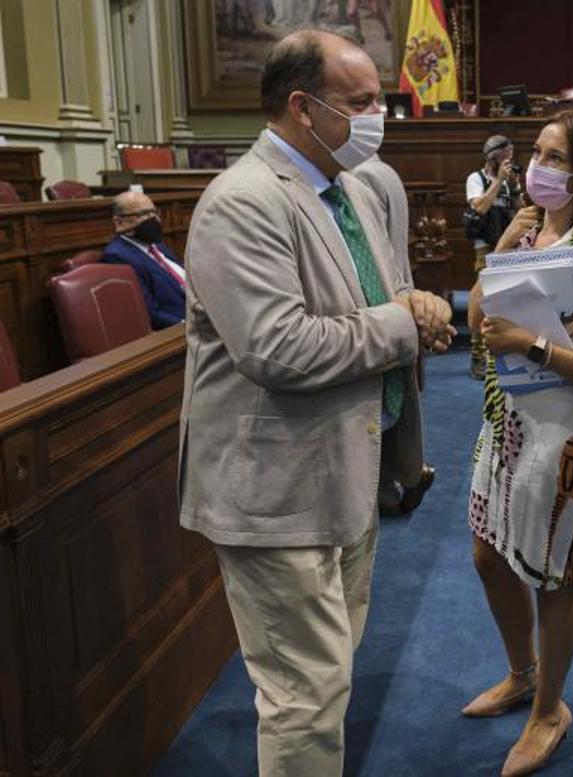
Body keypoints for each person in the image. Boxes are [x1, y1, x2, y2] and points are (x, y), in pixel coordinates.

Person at [178, 30, 454, 777]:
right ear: (303, 107)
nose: (378, 117)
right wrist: (404, 324)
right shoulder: (242, 202)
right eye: (360, 103)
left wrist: (416, 303)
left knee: (332, 666)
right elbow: (278, 348)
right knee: (305, 692)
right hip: (276, 487)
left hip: (351, 464)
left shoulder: (354, 187)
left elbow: (383, 291)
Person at [464, 109, 573, 777]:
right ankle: (521, 671)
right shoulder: (528, 234)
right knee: (488, 553)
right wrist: (505, 243)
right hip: (507, 422)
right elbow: (477, 316)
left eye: (555, 157)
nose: (537, 166)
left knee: (553, 577)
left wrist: (531, 344)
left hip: (564, 438)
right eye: (537, 151)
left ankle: (549, 708)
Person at [353, 153, 437, 516]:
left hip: (385, 299)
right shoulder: (383, 170)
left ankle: (394, 483)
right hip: (398, 289)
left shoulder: (361, 178)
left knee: (383, 401)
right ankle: (399, 481)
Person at [466, 134, 521, 378]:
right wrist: (498, 181)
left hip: (508, 245)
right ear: (493, 157)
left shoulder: (509, 182)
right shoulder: (475, 179)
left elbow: (522, 211)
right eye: (506, 157)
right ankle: (478, 352)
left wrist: (515, 187)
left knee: (508, 299)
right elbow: (479, 207)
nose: (510, 161)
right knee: (483, 298)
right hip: (486, 246)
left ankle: (501, 350)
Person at [102, 191, 186, 330]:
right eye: (143, 214)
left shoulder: (157, 245)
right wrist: (188, 326)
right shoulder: (117, 256)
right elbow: (150, 313)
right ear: (119, 222)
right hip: (179, 328)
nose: (153, 219)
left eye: (154, 212)